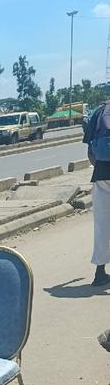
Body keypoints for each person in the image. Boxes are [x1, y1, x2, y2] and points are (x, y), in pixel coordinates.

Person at [83, 100, 110, 287]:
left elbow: (90, 151)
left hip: (101, 175)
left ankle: (100, 272)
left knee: (102, 226)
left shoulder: (99, 111)